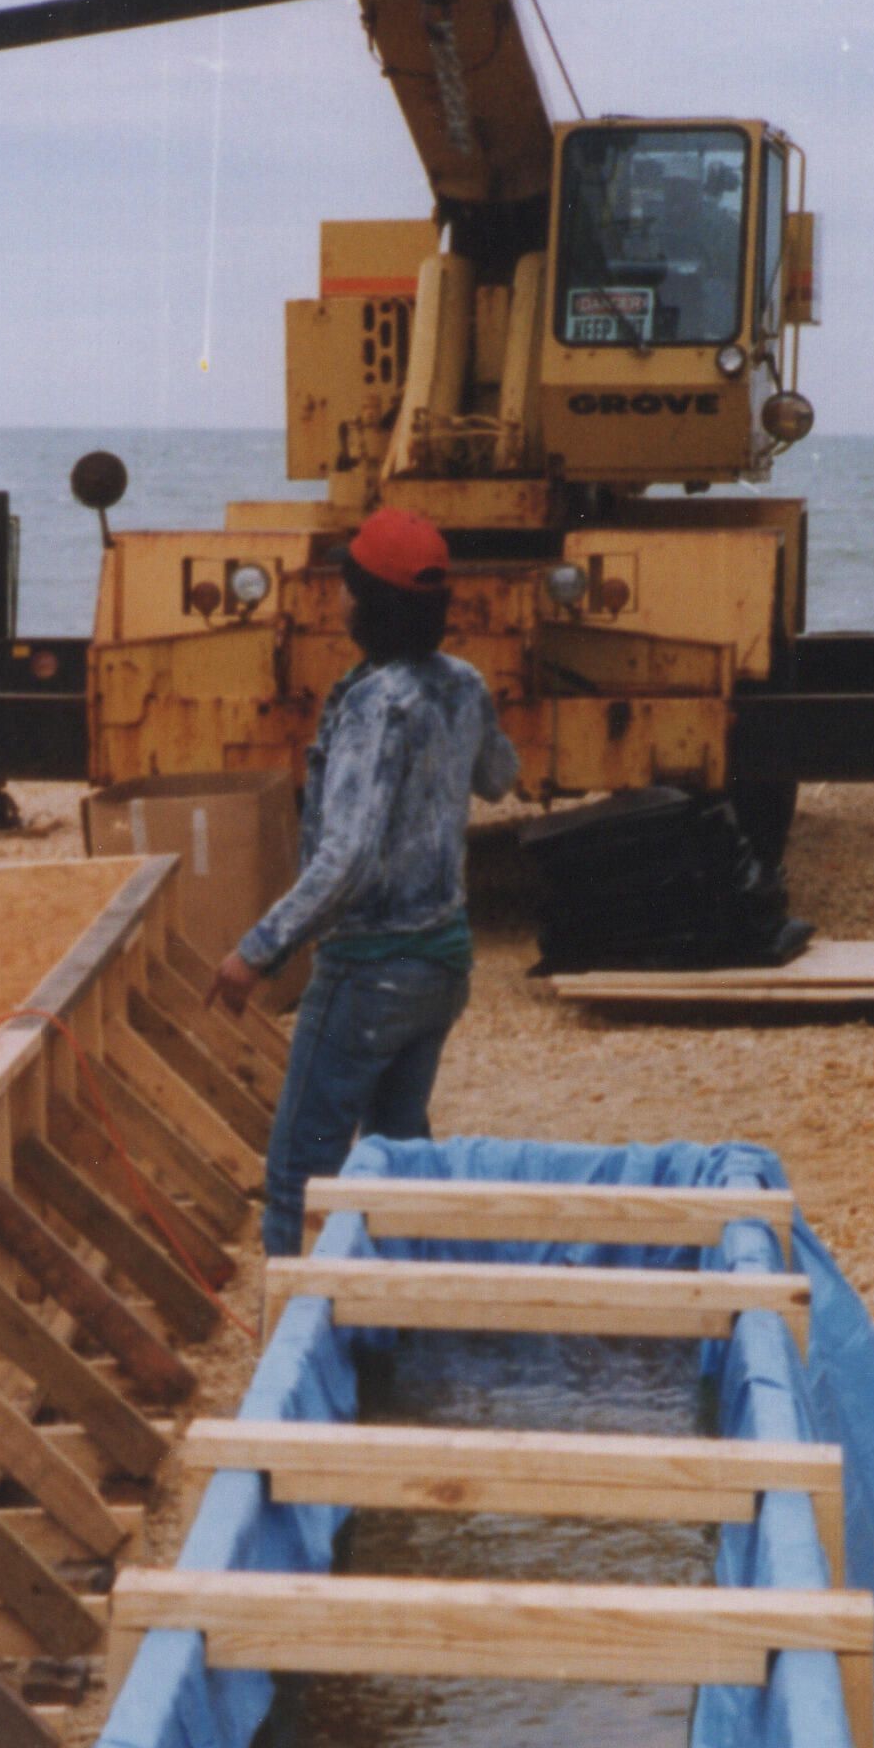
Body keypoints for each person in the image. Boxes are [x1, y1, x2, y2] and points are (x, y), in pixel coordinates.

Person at [209, 506, 521, 1257]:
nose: (341, 600)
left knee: (300, 1174)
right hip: (443, 966)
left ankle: (293, 1318)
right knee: (398, 1160)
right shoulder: (463, 684)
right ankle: (397, 1310)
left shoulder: (374, 705)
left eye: (348, 588)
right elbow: (499, 777)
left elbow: (345, 858)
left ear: (367, 604)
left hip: (369, 972)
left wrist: (257, 951)